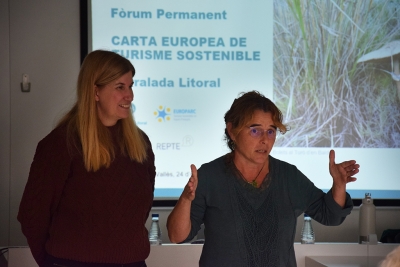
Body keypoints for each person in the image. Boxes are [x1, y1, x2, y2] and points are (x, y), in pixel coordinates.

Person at [167, 91, 359, 267]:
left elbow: (331, 216)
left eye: (271, 131)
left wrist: (339, 185)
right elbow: (177, 236)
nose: (265, 140)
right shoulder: (210, 175)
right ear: (232, 131)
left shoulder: (288, 176)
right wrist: (185, 200)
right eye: (255, 130)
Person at [18, 50, 156, 267]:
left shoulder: (140, 143)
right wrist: (48, 262)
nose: (129, 95)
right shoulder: (61, 143)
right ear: (95, 92)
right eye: (120, 87)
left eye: (130, 86)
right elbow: (32, 215)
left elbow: (140, 207)